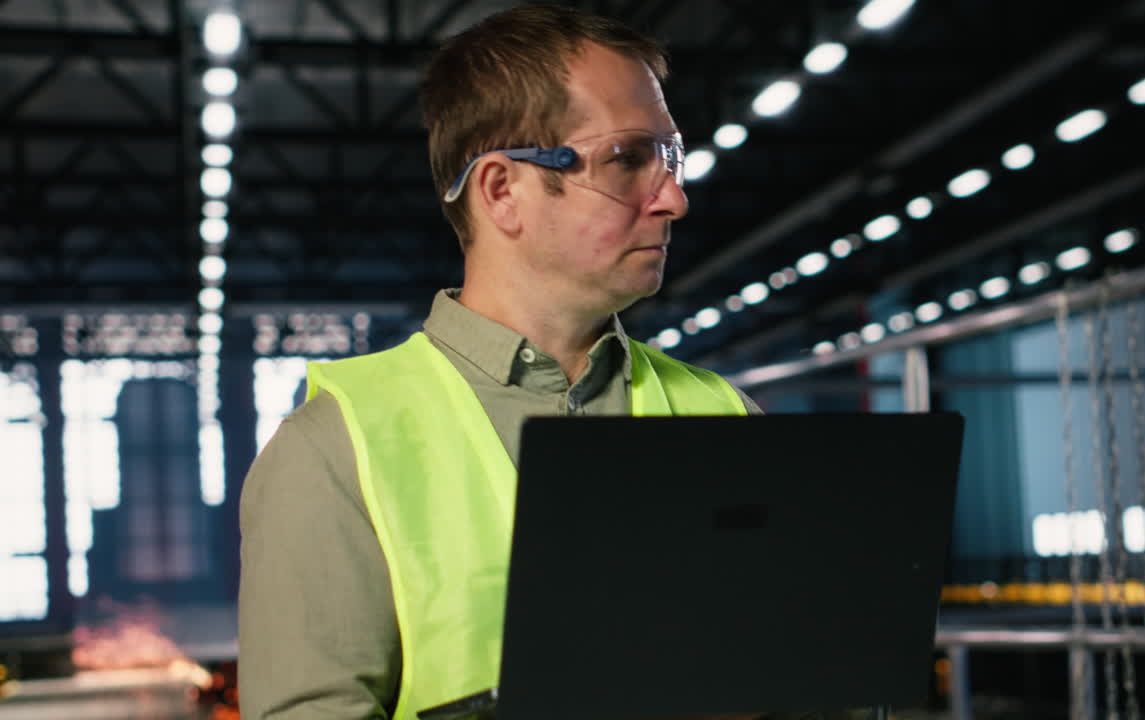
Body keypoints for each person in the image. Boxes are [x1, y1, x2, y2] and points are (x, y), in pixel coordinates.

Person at [238, 6, 783, 719]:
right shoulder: (337, 451)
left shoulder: (729, 417)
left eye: (670, 158)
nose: (674, 198)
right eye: (627, 159)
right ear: (502, 190)